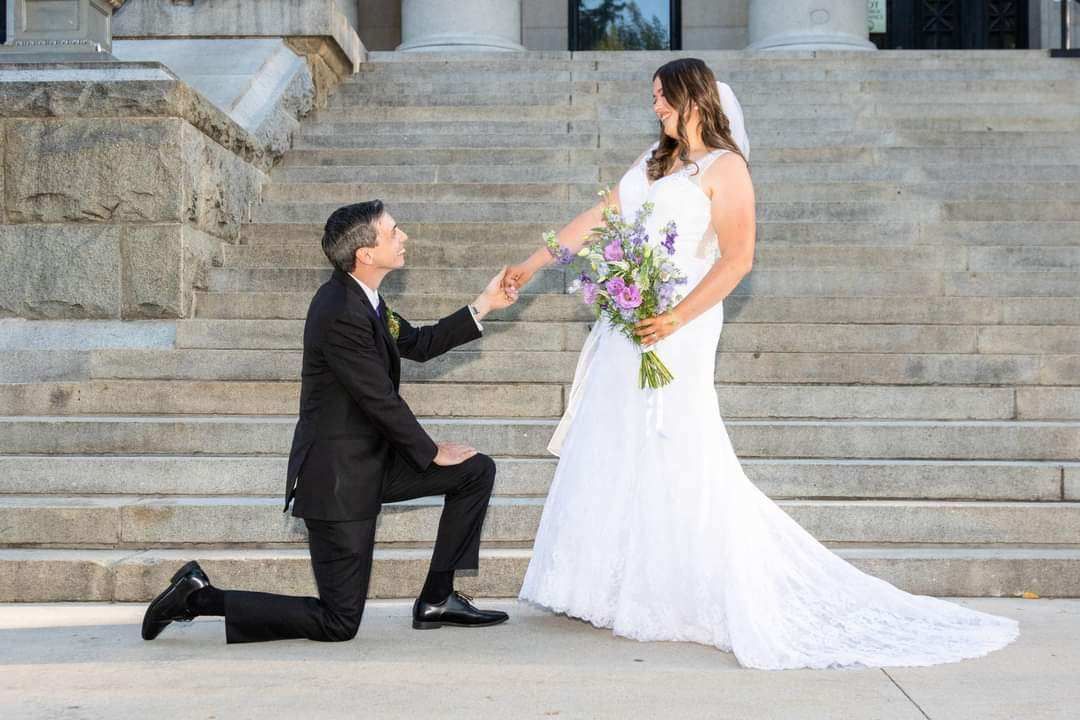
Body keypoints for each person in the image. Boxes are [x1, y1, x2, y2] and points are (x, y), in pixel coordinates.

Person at [504, 58, 1019, 669]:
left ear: (692, 97)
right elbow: (599, 219)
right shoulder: (652, 162)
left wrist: (675, 317)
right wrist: (533, 264)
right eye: (652, 100)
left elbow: (737, 259)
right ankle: (614, 587)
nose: (655, 108)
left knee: (679, 442)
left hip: (682, 326)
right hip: (629, 324)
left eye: (662, 98)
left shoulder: (728, 169)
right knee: (619, 441)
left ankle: (694, 585)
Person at [142, 200, 518, 643]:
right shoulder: (340, 308)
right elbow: (377, 397)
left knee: (474, 471)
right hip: (337, 478)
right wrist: (433, 451)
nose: (404, 237)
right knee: (339, 622)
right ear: (365, 253)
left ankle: (438, 598)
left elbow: (419, 341)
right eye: (394, 231)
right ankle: (198, 598)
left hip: (371, 463)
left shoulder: (367, 301)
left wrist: (484, 304)